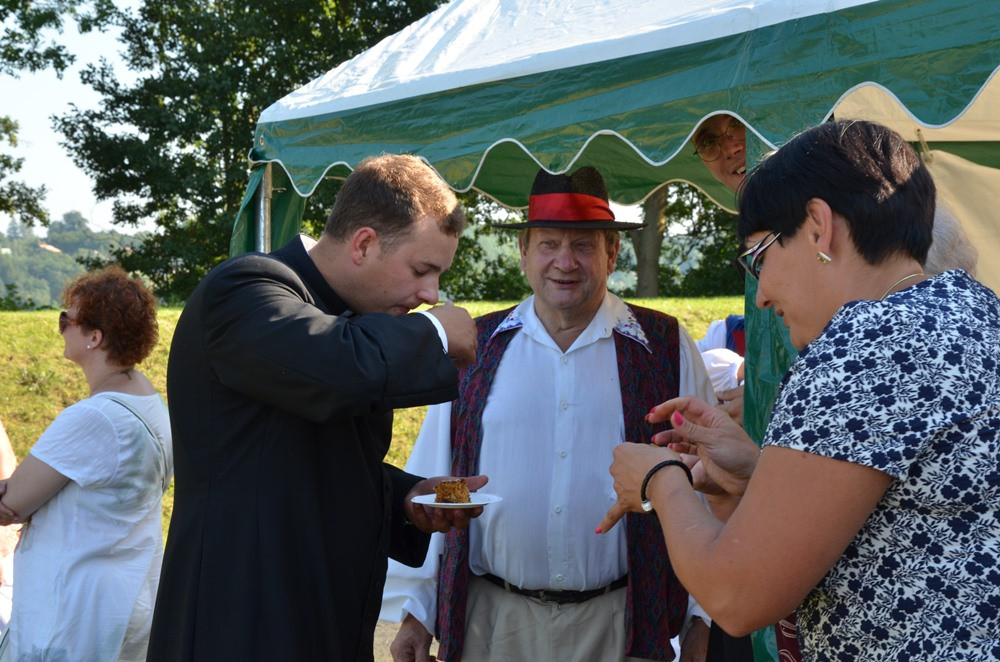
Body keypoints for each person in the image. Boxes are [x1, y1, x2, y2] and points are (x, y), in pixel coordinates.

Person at [600, 120, 1000, 660]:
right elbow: (908, 509)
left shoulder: (860, 348)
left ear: (817, 226)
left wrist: (659, 479)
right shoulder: (973, 309)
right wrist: (760, 473)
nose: (760, 294)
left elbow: (736, 597)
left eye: (760, 256)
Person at [149, 154, 485, 661]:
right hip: (241, 624)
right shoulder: (245, 291)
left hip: (322, 622)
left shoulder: (353, 324)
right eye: (422, 269)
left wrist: (407, 497)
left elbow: (304, 452)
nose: (430, 293)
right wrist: (436, 333)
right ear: (364, 243)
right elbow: (340, 373)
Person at [382, 166, 717, 662]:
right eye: (548, 243)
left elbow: (705, 484)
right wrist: (418, 610)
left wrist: (699, 618)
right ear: (523, 252)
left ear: (612, 253)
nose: (565, 261)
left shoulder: (664, 348)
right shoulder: (475, 347)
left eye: (583, 245)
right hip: (493, 626)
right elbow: (441, 482)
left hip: (621, 625)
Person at [0, 266, 171, 660]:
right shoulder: (151, 403)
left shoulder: (94, 418)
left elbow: (13, 502)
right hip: (127, 597)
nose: (61, 327)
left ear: (94, 337)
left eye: (67, 319)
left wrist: (13, 500)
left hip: (74, 611)